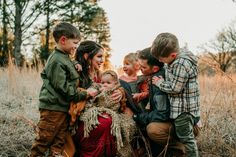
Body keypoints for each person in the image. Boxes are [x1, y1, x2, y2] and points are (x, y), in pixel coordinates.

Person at [30, 22, 97, 157]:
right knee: (44, 139)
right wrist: (85, 93)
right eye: (75, 43)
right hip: (52, 108)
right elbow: (64, 89)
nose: (76, 47)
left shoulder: (64, 57)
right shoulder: (56, 60)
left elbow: (66, 68)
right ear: (63, 40)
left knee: (59, 142)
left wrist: (75, 64)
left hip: (61, 108)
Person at [151, 32, 200, 157]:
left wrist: (160, 83)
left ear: (172, 55)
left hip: (183, 111)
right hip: (183, 109)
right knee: (184, 136)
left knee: (187, 139)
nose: (160, 61)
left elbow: (175, 88)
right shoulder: (175, 58)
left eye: (161, 59)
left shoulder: (180, 63)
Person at [72, 40, 123, 157]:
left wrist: (121, 92)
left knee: (113, 119)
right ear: (86, 56)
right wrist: (86, 93)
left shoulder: (100, 75)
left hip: (99, 110)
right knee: (105, 122)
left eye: (103, 57)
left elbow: (117, 84)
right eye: (99, 56)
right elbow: (70, 94)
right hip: (80, 116)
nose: (102, 60)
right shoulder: (76, 72)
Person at [79, 70, 137, 157]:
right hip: (94, 111)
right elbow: (94, 99)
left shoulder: (114, 91)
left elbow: (109, 104)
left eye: (108, 83)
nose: (105, 85)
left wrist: (120, 91)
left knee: (116, 124)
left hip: (109, 111)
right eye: (103, 82)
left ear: (115, 84)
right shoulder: (97, 87)